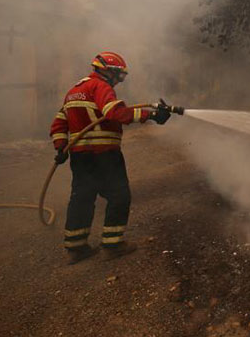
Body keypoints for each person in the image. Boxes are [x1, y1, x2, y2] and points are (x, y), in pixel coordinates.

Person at [49, 51, 171, 264]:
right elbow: (115, 113)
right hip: (104, 155)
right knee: (119, 196)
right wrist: (151, 115)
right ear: (107, 71)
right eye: (119, 75)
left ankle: (76, 248)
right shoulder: (100, 86)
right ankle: (112, 245)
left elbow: (59, 123)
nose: (119, 80)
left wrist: (61, 147)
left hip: (80, 157)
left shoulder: (74, 91)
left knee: (82, 198)